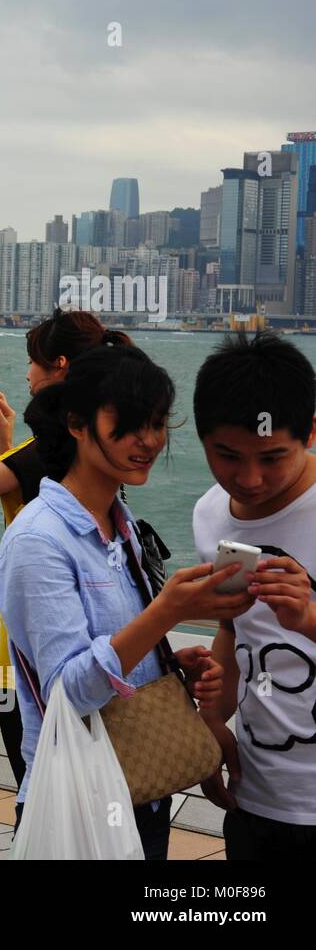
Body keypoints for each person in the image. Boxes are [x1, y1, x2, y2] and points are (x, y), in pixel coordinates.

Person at [0, 344, 243, 860]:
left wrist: (167, 665)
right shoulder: (38, 539)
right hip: (78, 801)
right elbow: (71, 688)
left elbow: (117, 653)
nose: (147, 441)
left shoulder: (120, 526)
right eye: (128, 424)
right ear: (78, 424)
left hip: (142, 788)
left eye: (156, 423)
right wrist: (165, 612)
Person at [0, 309, 133, 788]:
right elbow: (33, 485)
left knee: (42, 805)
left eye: (32, 362)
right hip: (85, 654)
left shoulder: (47, 450)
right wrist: (6, 442)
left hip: (28, 665)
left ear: (59, 365)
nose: (26, 373)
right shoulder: (90, 449)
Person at [191, 331, 316, 859]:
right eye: (227, 456)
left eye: (271, 457)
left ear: (310, 431)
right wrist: (211, 728)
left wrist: (309, 620)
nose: (248, 478)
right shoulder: (210, 514)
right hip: (257, 797)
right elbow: (232, 627)